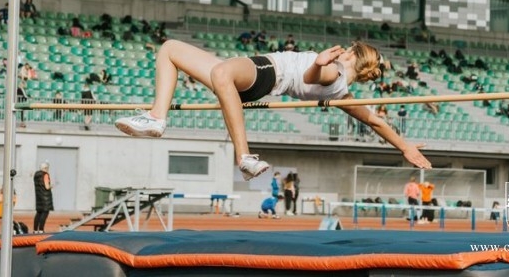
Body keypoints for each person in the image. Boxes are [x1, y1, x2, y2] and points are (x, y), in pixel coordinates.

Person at [115, 40, 432, 181]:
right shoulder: (343, 93)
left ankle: (244, 156)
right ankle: (156, 117)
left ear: (354, 55)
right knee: (171, 49)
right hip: (260, 78)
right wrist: (404, 145)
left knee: (222, 73)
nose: (346, 50)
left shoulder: (334, 72)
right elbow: (375, 120)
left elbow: (312, 76)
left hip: (267, 71)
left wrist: (318, 64)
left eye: (350, 49)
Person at [33, 162, 54, 233]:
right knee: (45, 213)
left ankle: (35, 230)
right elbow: (47, 186)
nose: (48, 169)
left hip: (38, 196)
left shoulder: (36, 175)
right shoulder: (45, 175)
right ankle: (41, 230)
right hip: (45, 198)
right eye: (47, 168)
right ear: (45, 168)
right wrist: (52, 185)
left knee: (38, 213)